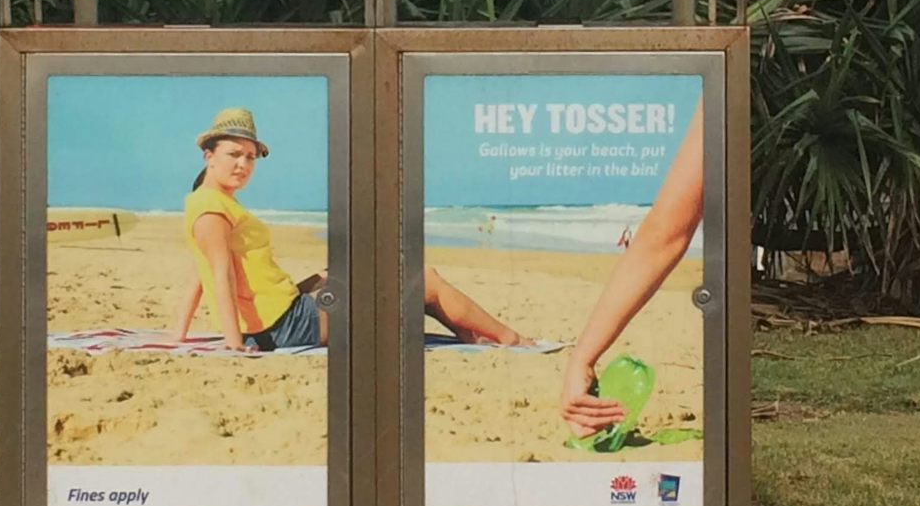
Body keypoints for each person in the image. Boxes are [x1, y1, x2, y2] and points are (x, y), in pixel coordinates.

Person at [173, 107, 525, 352]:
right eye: (234, 154)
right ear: (209, 155)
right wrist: (234, 344)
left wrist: (180, 335)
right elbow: (220, 276)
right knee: (423, 280)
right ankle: (509, 338)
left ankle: (470, 335)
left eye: (250, 157)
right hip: (284, 325)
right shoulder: (211, 209)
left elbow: (198, 273)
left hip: (281, 312)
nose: (243, 164)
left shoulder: (210, 202)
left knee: (342, 273)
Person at [560, 100, 706, 436]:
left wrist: (582, 359)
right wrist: (582, 359)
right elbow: (666, 235)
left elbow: (667, 233)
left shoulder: (741, 67)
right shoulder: (743, 65)